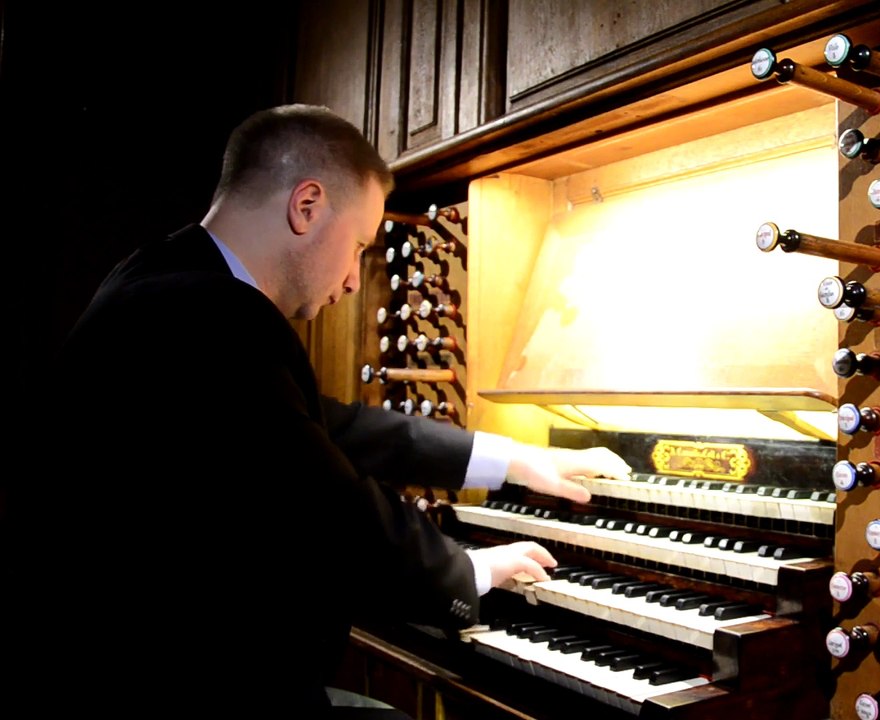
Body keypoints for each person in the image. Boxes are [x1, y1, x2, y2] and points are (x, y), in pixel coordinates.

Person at [8, 104, 631, 718]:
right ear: (306, 207)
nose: (358, 279)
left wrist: (515, 459)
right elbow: (327, 508)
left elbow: (330, 427)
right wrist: (466, 569)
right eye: (360, 244)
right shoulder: (206, 313)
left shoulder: (165, 278)